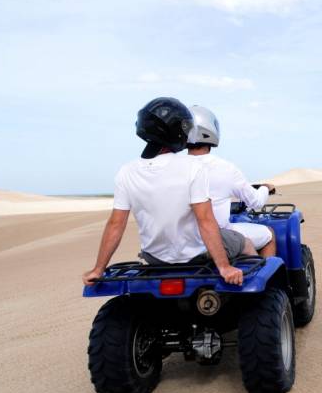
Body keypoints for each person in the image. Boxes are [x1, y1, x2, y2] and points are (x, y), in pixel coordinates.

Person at [82, 97, 248, 287]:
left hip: (155, 258)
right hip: (195, 255)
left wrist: (98, 269)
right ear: (175, 132)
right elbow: (206, 220)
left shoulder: (126, 171)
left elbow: (116, 224)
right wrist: (224, 267)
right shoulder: (192, 166)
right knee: (245, 243)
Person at [185, 105, 277, 258]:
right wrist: (265, 189)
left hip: (183, 242)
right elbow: (255, 202)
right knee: (270, 234)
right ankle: (270, 278)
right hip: (219, 237)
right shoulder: (226, 168)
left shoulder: (173, 167)